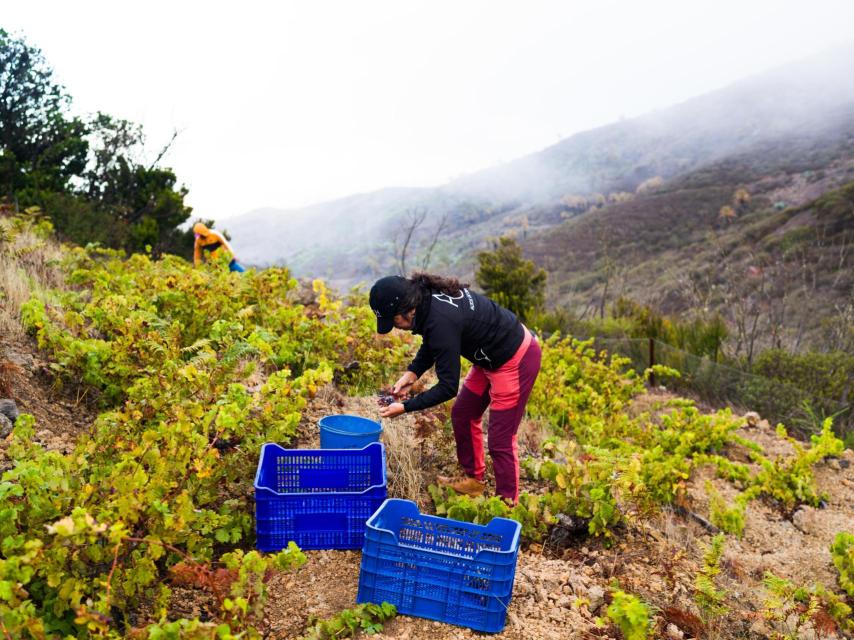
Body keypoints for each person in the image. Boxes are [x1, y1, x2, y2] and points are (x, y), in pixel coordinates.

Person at [371, 273, 541, 505]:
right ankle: (474, 481)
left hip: (515, 360)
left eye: (394, 321)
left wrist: (406, 407)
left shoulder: (440, 319)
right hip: (488, 358)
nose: (396, 328)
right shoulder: (426, 300)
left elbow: (448, 387)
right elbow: (433, 341)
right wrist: (412, 373)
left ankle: (508, 505)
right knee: (463, 414)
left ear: (405, 308)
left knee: (500, 441)